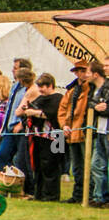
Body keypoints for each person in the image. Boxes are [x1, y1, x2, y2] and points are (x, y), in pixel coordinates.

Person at [23, 73, 65, 201]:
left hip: (56, 136)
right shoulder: (40, 99)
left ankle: (51, 195)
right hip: (39, 135)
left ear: (50, 85)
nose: (40, 90)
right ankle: (39, 193)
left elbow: (52, 114)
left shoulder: (58, 98)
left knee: (51, 166)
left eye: (43, 87)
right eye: (39, 86)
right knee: (39, 165)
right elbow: (29, 109)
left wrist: (35, 113)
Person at [57, 59, 93, 203]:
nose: (81, 74)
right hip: (72, 132)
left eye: (83, 71)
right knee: (77, 166)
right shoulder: (71, 90)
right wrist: (64, 125)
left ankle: (89, 194)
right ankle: (78, 194)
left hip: (84, 131)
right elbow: (62, 109)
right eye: (78, 71)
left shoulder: (90, 89)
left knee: (88, 165)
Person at [87, 60, 108, 208]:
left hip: (107, 130)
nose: (105, 68)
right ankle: (100, 196)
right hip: (99, 130)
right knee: (96, 165)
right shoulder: (96, 89)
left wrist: (104, 108)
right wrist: (98, 106)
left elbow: (105, 108)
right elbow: (91, 104)